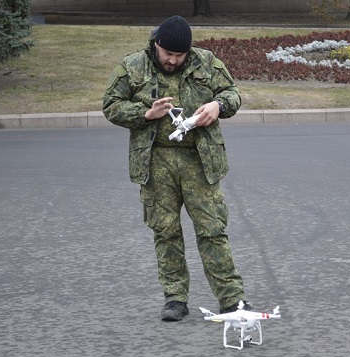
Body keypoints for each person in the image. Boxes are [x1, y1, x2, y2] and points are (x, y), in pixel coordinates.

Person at [103, 15, 251, 322]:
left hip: (199, 160)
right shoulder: (132, 66)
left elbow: (232, 94)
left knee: (212, 230)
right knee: (165, 231)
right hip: (156, 161)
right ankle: (175, 298)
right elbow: (111, 105)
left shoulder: (207, 63)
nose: (172, 60)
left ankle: (231, 299)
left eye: (179, 56)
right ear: (157, 45)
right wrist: (145, 113)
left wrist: (218, 106)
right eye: (167, 54)